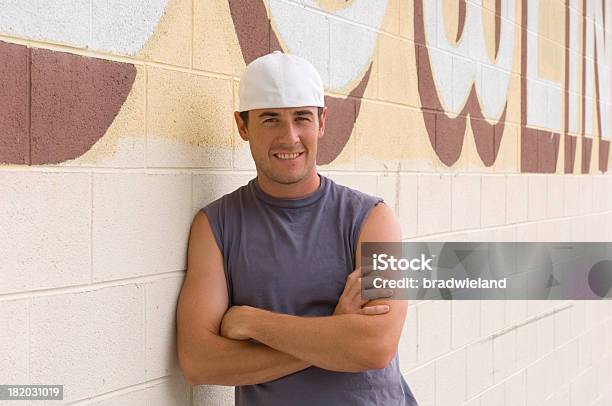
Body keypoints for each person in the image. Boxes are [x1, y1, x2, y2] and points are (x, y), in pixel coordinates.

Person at [176, 51, 418, 405]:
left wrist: (252, 322)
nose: (289, 137)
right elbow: (199, 363)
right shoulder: (215, 227)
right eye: (270, 119)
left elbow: (375, 346)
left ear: (321, 122)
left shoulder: (373, 219)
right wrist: (336, 333)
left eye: (302, 118)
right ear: (242, 126)